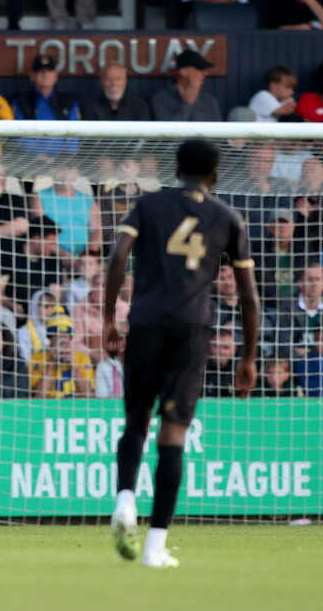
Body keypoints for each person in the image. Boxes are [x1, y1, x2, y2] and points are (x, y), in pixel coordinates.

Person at [104, 139, 258, 568]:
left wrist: (108, 320)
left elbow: (118, 256)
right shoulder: (227, 217)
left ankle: (124, 500)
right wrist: (248, 356)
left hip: (147, 323)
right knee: (173, 433)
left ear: (176, 168)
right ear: (215, 174)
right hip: (192, 330)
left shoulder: (149, 205)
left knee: (136, 421)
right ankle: (155, 546)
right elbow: (248, 296)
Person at [11, 54, 81, 158]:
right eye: (40, 71)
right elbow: (19, 134)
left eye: (49, 71)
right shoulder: (21, 100)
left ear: (56, 75)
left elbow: (75, 133)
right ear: (32, 76)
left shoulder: (68, 100)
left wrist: (64, 157)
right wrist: (39, 156)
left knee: (69, 173)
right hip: (30, 160)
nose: (45, 75)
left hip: (63, 161)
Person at [36, 159, 100, 258]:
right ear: (52, 171)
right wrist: (62, 253)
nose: (65, 173)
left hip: (83, 258)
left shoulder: (87, 199)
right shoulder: (39, 196)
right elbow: (38, 231)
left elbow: (96, 231)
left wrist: (88, 255)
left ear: (76, 172)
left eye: (69, 169)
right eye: (60, 168)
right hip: (51, 255)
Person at [29, 308, 94, 398]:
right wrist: (50, 364)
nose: (63, 340)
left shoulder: (82, 358)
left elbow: (89, 397)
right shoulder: (36, 358)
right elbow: (38, 397)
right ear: (50, 338)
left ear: (71, 338)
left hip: (76, 408)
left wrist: (75, 368)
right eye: (58, 336)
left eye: (65, 336)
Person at [151, 50, 221, 122]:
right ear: (183, 71)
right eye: (199, 69)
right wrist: (188, 103)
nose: (205, 74)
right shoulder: (162, 99)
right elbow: (169, 131)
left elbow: (217, 131)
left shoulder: (209, 101)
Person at [81, 63, 151, 122]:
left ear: (125, 81)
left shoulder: (138, 106)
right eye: (109, 80)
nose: (114, 85)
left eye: (118, 79)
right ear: (102, 82)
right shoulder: (91, 107)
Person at [202, 328, 238, 397]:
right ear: (209, 346)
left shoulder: (239, 372)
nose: (221, 352)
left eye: (226, 347)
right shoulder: (199, 370)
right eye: (216, 346)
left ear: (235, 349)